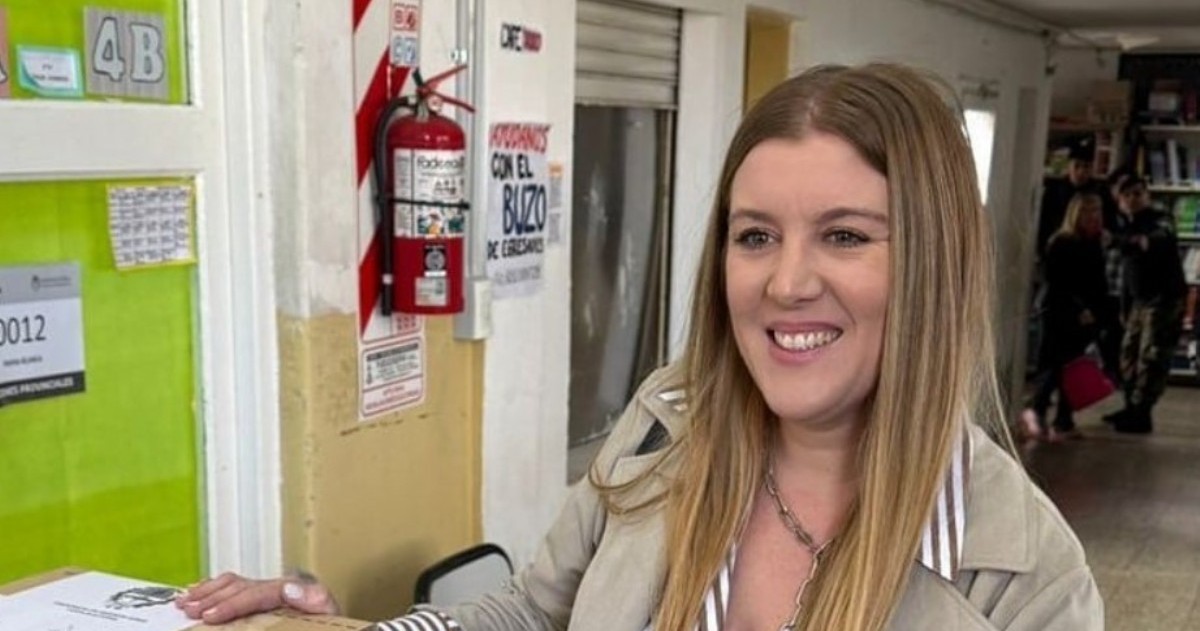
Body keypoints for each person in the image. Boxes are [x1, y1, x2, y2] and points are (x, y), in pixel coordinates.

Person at [176, 64, 1102, 631]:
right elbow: (533, 613)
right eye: (755, 235)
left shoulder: (1027, 580)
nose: (786, 282)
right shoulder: (668, 427)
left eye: (846, 235)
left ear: (936, 264)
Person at [1105, 175, 1187, 434]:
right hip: (1138, 301)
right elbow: (1128, 272)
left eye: (1138, 193)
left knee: (1151, 357)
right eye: (1126, 195)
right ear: (1119, 200)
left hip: (1163, 300)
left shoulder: (1160, 219)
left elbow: (1155, 241)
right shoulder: (1125, 224)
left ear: (1147, 195)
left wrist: (1122, 241)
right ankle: (1131, 406)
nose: (1133, 199)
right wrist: (1125, 306)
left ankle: (1142, 413)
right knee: (1128, 355)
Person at [1024, 193, 1109, 441]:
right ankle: (1036, 415)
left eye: (1097, 211)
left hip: (1085, 315)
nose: (1094, 217)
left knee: (1073, 368)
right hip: (1061, 312)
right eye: (1087, 211)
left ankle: (1064, 420)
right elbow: (1058, 282)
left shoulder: (1094, 242)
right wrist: (1080, 309)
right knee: (1054, 366)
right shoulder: (1062, 242)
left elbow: (1097, 282)